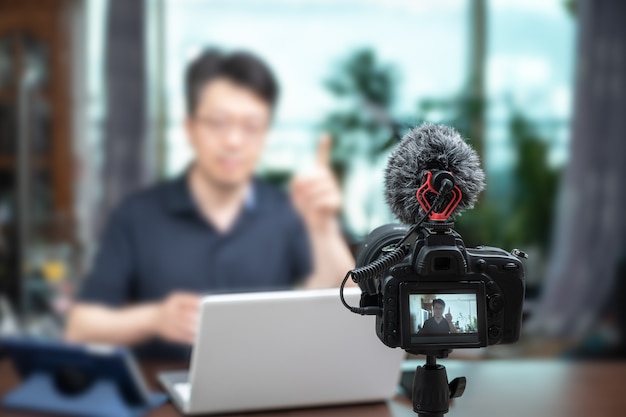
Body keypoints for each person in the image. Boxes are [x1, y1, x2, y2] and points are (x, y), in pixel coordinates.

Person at [64, 49, 355, 359]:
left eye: (252, 126)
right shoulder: (137, 215)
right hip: (162, 397)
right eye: (218, 123)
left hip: (264, 392)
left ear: (266, 134)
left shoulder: (287, 211)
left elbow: (349, 307)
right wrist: (152, 319)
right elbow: (80, 328)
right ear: (190, 128)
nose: (233, 141)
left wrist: (323, 226)